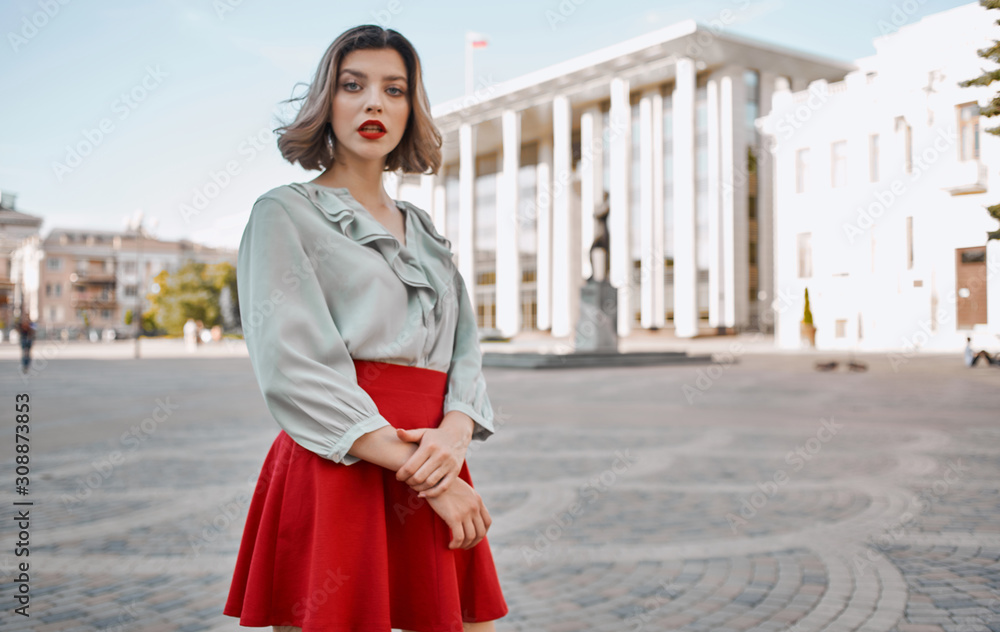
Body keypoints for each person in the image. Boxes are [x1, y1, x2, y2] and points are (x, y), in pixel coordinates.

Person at [223, 25, 508, 632]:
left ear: (411, 108)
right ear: (328, 101)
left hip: (433, 457)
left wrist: (453, 441)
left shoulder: (426, 231)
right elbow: (295, 371)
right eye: (354, 86)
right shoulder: (284, 214)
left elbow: (466, 355)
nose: (375, 102)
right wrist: (435, 481)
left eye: (394, 89)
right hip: (344, 466)